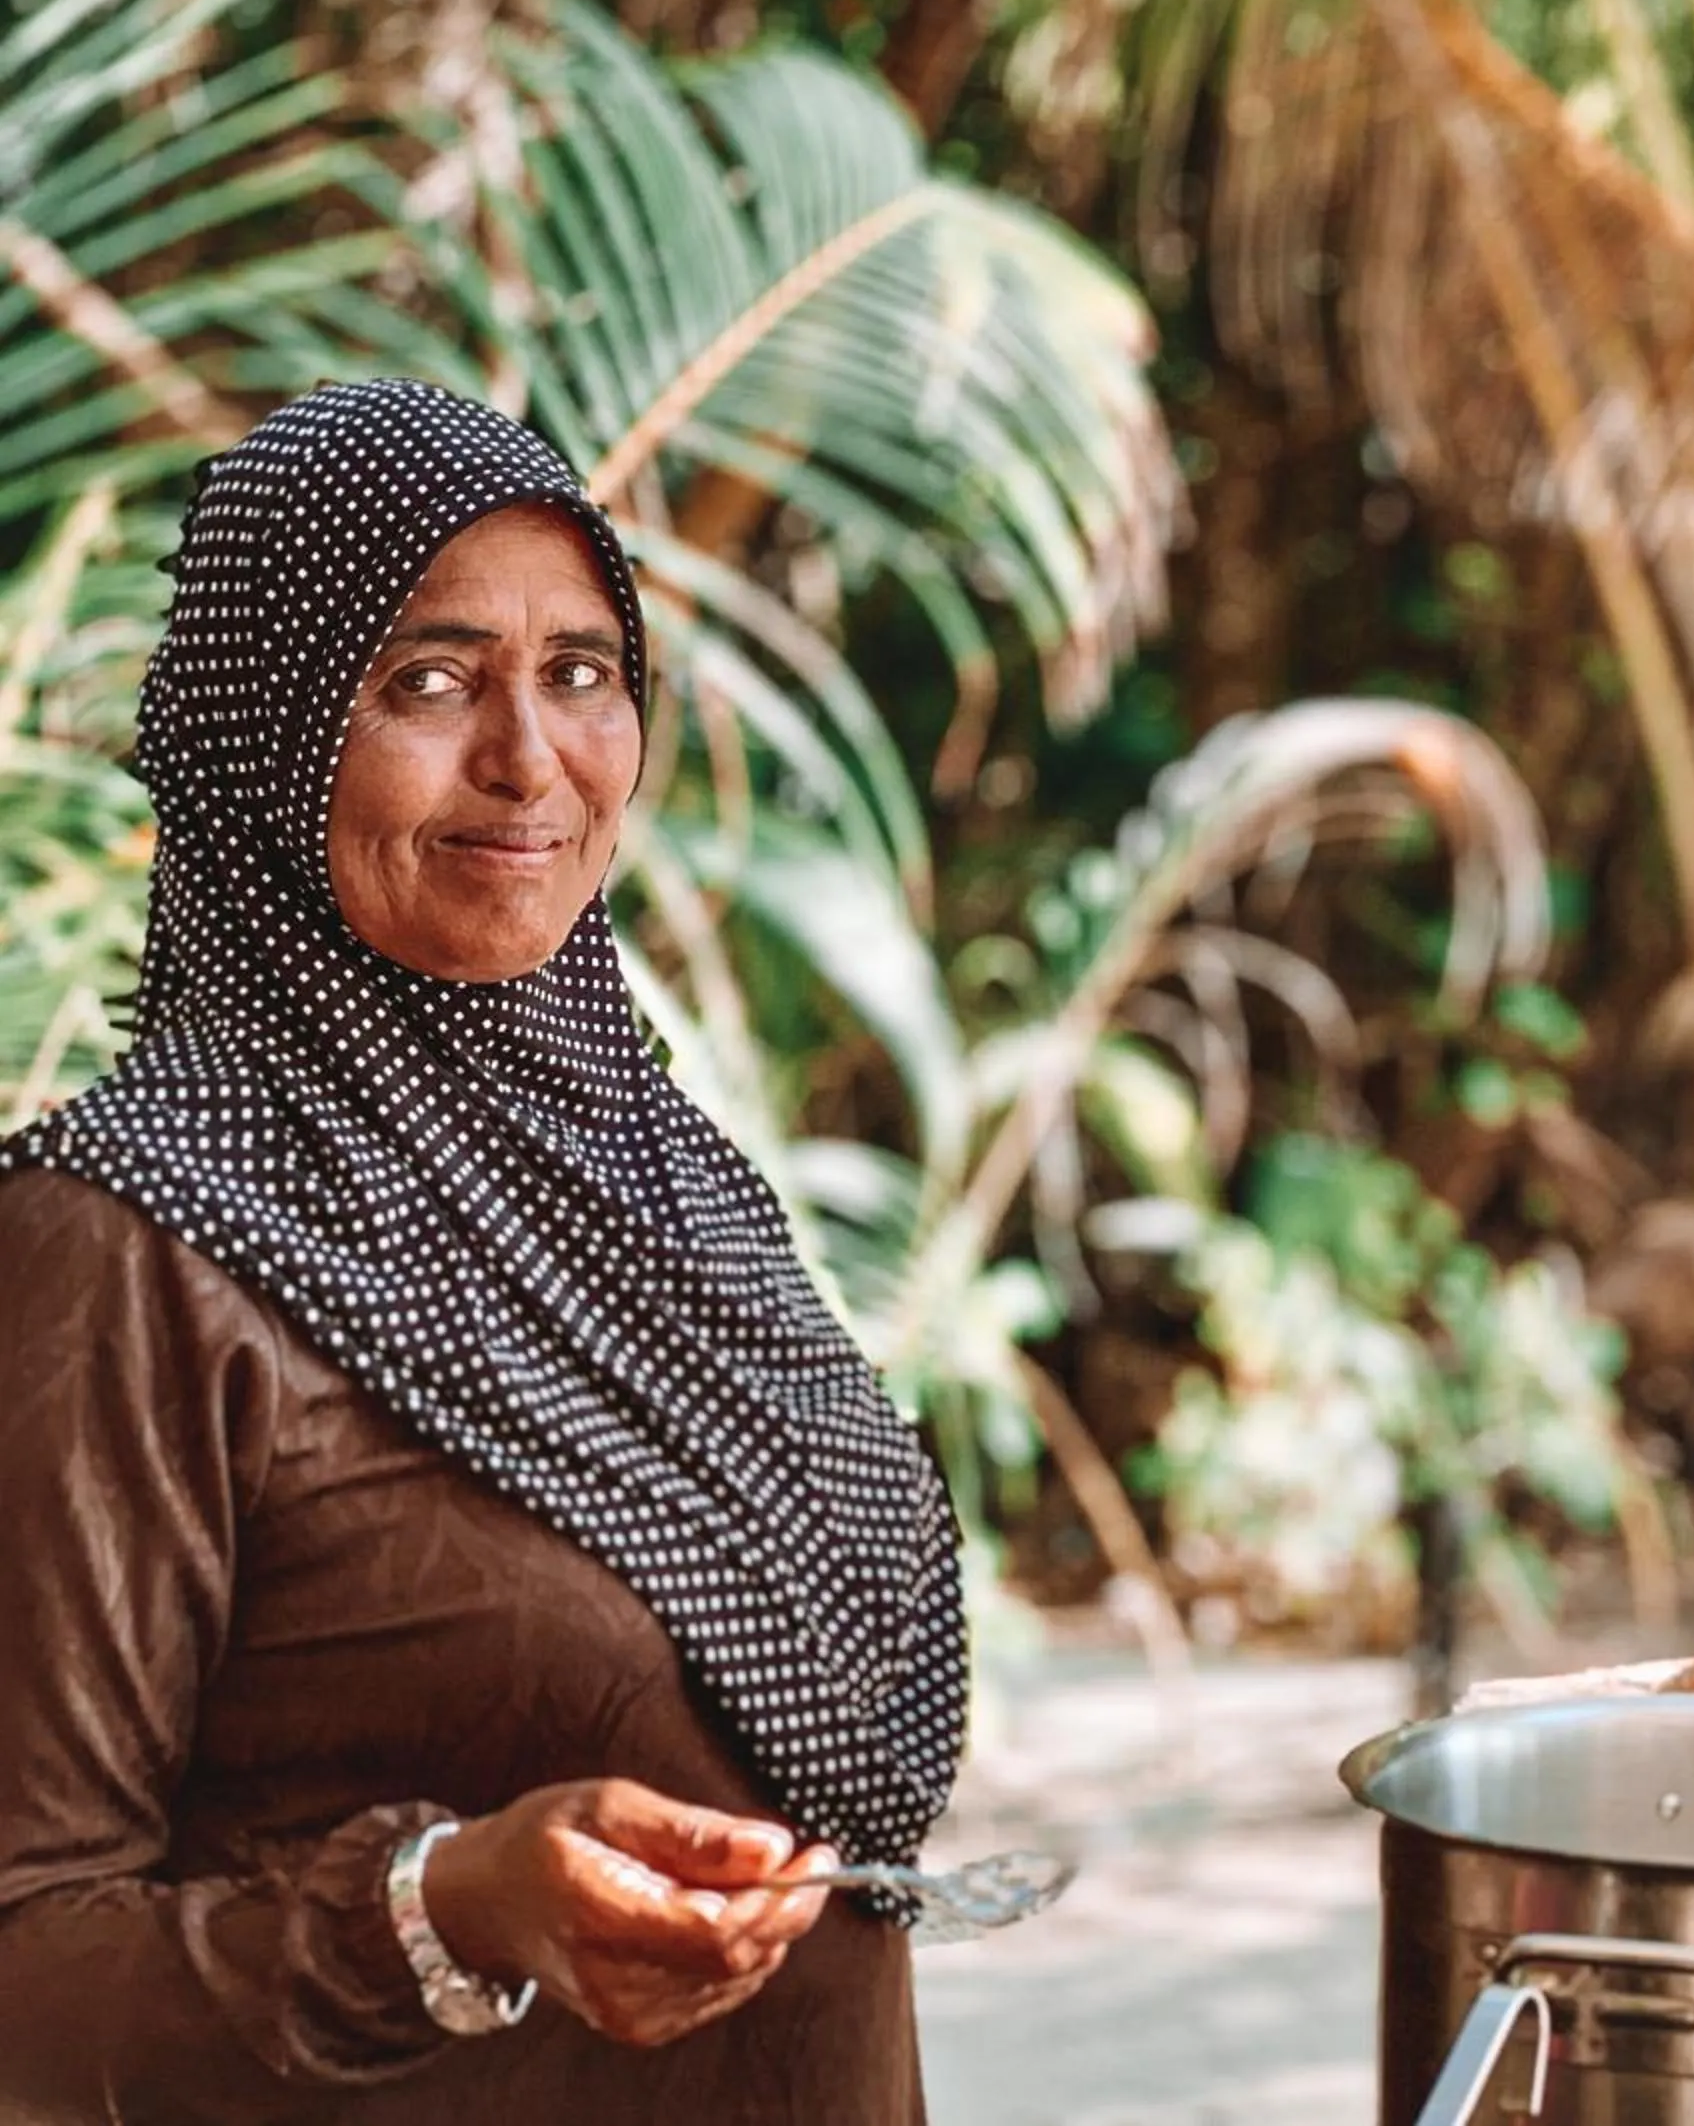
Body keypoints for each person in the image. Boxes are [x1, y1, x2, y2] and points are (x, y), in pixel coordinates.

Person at [0, 380, 969, 2120]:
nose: (530, 757)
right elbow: (22, 1957)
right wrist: (441, 1907)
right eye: (428, 682)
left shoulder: (649, 1169)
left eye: (582, 671)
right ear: (270, 740)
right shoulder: (123, 1245)